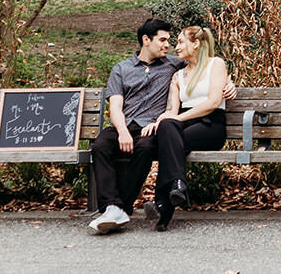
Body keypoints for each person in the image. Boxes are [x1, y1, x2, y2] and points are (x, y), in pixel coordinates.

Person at [88, 19, 181, 234]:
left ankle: (119, 208)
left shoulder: (173, 64)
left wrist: (228, 83)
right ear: (146, 40)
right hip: (125, 124)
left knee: (146, 147)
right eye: (163, 40)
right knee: (101, 144)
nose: (168, 45)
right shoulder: (122, 69)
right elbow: (116, 107)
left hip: (150, 128)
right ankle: (112, 206)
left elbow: (204, 67)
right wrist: (122, 132)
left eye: (169, 40)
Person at [147, 25, 235, 230]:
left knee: (170, 143)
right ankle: (176, 189)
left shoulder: (216, 64)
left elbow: (213, 102)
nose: (175, 48)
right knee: (167, 128)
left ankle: (163, 202)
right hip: (184, 125)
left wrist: (178, 119)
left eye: (180, 42)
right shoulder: (177, 77)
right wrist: (160, 121)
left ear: (196, 44)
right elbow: (171, 110)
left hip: (210, 124)